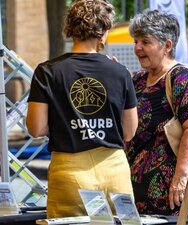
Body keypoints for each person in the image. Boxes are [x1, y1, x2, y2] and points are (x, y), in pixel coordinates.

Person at [26, 0, 138, 218]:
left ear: (70, 29)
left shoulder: (47, 72)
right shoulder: (120, 72)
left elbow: (36, 128)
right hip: (114, 170)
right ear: (104, 32)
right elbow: (129, 131)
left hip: (69, 171)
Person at [126, 9, 188, 223]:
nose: (137, 48)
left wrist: (180, 179)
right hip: (138, 199)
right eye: (136, 41)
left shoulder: (181, 78)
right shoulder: (137, 80)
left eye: (145, 41)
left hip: (173, 200)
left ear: (167, 45)